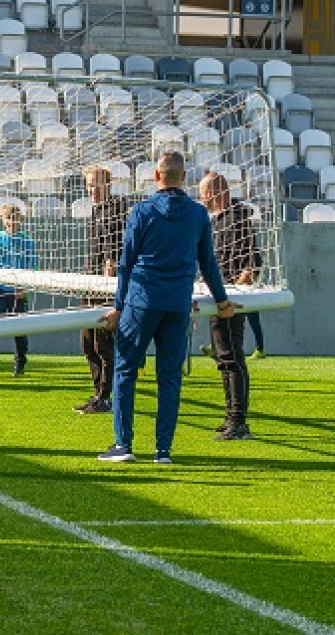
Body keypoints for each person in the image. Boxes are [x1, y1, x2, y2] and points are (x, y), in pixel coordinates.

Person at [98, 152, 238, 465]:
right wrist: (223, 301)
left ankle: (124, 444)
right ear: (184, 177)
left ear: (157, 177)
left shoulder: (142, 211)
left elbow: (126, 264)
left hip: (142, 302)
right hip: (177, 304)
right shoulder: (198, 214)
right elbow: (209, 264)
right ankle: (164, 450)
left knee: (124, 370)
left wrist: (119, 307)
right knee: (170, 377)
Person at [199, 172, 260, 440]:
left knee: (232, 356)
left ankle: (239, 420)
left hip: (230, 300)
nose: (201, 200)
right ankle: (230, 417)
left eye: (203, 194)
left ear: (212, 194)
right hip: (218, 298)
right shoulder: (218, 221)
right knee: (224, 358)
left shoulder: (238, 218)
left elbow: (253, 262)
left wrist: (236, 292)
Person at [75, 166, 129, 414]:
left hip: (106, 287)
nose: (91, 190)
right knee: (87, 341)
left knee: (103, 343)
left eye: (95, 185)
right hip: (91, 283)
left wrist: (111, 267)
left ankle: (105, 396)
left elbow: (116, 245)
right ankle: (98, 392)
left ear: (108, 184)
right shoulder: (96, 210)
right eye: (88, 185)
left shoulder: (117, 207)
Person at [0, 205, 38, 377]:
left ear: (20, 219)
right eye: (7, 218)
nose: (11, 221)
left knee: (18, 327)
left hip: (17, 289)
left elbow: (32, 265)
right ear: (2, 220)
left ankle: (20, 363)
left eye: (14, 217)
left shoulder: (27, 241)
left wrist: (25, 286)